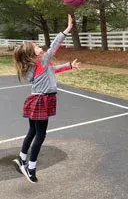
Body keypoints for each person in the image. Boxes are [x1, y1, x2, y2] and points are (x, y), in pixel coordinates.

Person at [12, 14, 81, 183]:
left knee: (33, 131)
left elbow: (52, 70)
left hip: (36, 100)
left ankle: (21, 157)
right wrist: (66, 30)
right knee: (40, 135)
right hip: (42, 100)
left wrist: (69, 66)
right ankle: (31, 167)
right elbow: (54, 46)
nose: (40, 47)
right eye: (36, 47)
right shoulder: (41, 61)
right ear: (31, 53)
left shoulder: (36, 66)